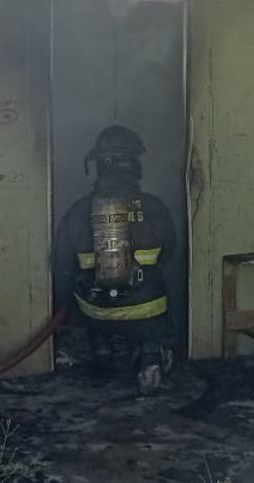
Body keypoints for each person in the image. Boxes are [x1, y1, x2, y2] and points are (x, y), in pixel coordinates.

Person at [52, 125, 177, 395]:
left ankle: (102, 354)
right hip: (147, 310)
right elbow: (169, 252)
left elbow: (61, 264)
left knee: (85, 299)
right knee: (157, 299)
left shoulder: (77, 211)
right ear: (132, 164)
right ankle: (150, 357)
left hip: (95, 310)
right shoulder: (154, 207)